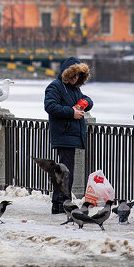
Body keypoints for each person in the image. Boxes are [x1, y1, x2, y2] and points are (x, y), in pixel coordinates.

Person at [44, 56, 94, 214]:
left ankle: (59, 204)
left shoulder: (74, 88)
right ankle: (63, 204)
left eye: (78, 76)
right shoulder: (55, 87)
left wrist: (86, 102)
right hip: (64, 134)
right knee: (66, 172)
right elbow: (50, 106)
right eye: (73, 75)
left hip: (70, 135)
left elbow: (86, 100)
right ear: (66, 74)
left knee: (64, 171)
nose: (76, 78)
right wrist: (71, 112)